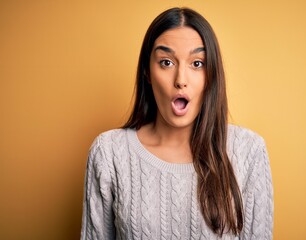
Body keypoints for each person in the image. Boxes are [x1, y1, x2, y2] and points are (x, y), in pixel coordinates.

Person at [81, 7, 273, 240]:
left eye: (197, 64)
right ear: (147, 72)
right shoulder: (109, 153)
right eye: (166, 62)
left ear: (212, 74)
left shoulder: (248, 152)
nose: (181, 80)